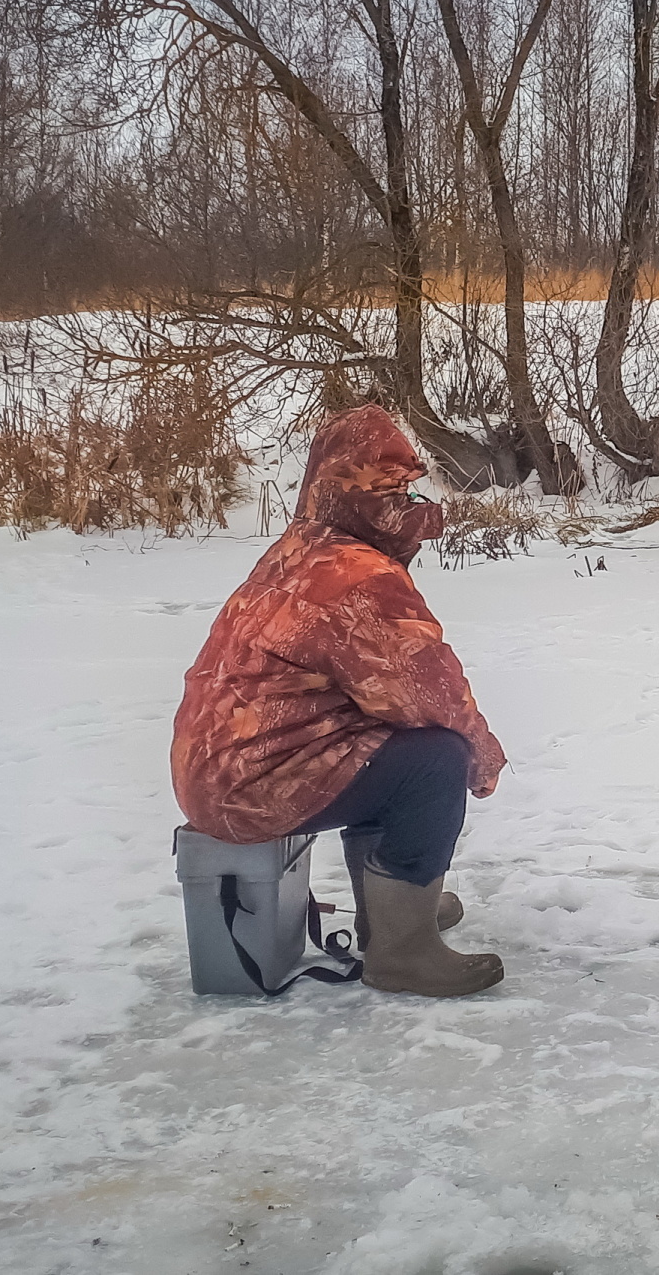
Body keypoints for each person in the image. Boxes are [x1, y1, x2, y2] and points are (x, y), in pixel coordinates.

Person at [171, 404, 507, 998]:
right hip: (252, 785)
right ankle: (401, 951)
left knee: (387, 743)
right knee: (436, 758)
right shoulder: (356, 575)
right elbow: (428, 690)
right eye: (389, 490)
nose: (402, 502)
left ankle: (390, 912)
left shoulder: (301, 545)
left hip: (217, 768)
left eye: (406, 487)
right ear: (354, 496)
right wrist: (482, 751)